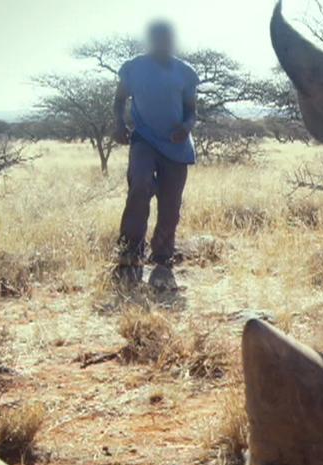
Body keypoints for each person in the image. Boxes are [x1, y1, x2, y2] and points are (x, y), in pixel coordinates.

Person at [111, 20, 199, 291]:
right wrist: (118, 124)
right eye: (158, 38)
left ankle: (162, 261)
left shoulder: (186, 73)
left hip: (176, 144)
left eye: (168, 38)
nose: (164, 43)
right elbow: (119, 100)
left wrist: (185, 128)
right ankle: (129, 258)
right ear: (150, 40)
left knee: (170, 205)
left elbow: (191, 111)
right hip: (144, 139)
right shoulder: (133, 68)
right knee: (139, 185)